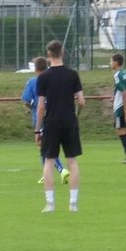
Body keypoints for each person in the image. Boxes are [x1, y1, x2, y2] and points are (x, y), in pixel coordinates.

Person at [34, 39, 84, 212]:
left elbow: (41, 107)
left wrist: (37, 129)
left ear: (48, 54)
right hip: (69, 121)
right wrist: (76, 114)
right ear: (62, 52)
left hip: (51, 123)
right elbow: (82, 101)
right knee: (72, 161)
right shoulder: (72, 75)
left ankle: (50, 204)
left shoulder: (43, 77)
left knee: (48, 161)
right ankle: (73, 203)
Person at [22, 56, 65, 181]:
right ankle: (46, 174)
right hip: (56, 116)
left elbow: (26, 100)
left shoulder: (32, 82)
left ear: (36, 69)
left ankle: (61, 169)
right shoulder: (55, 81)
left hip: (40, 118)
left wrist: (31, 107)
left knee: (44, 147)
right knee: (47, 146)